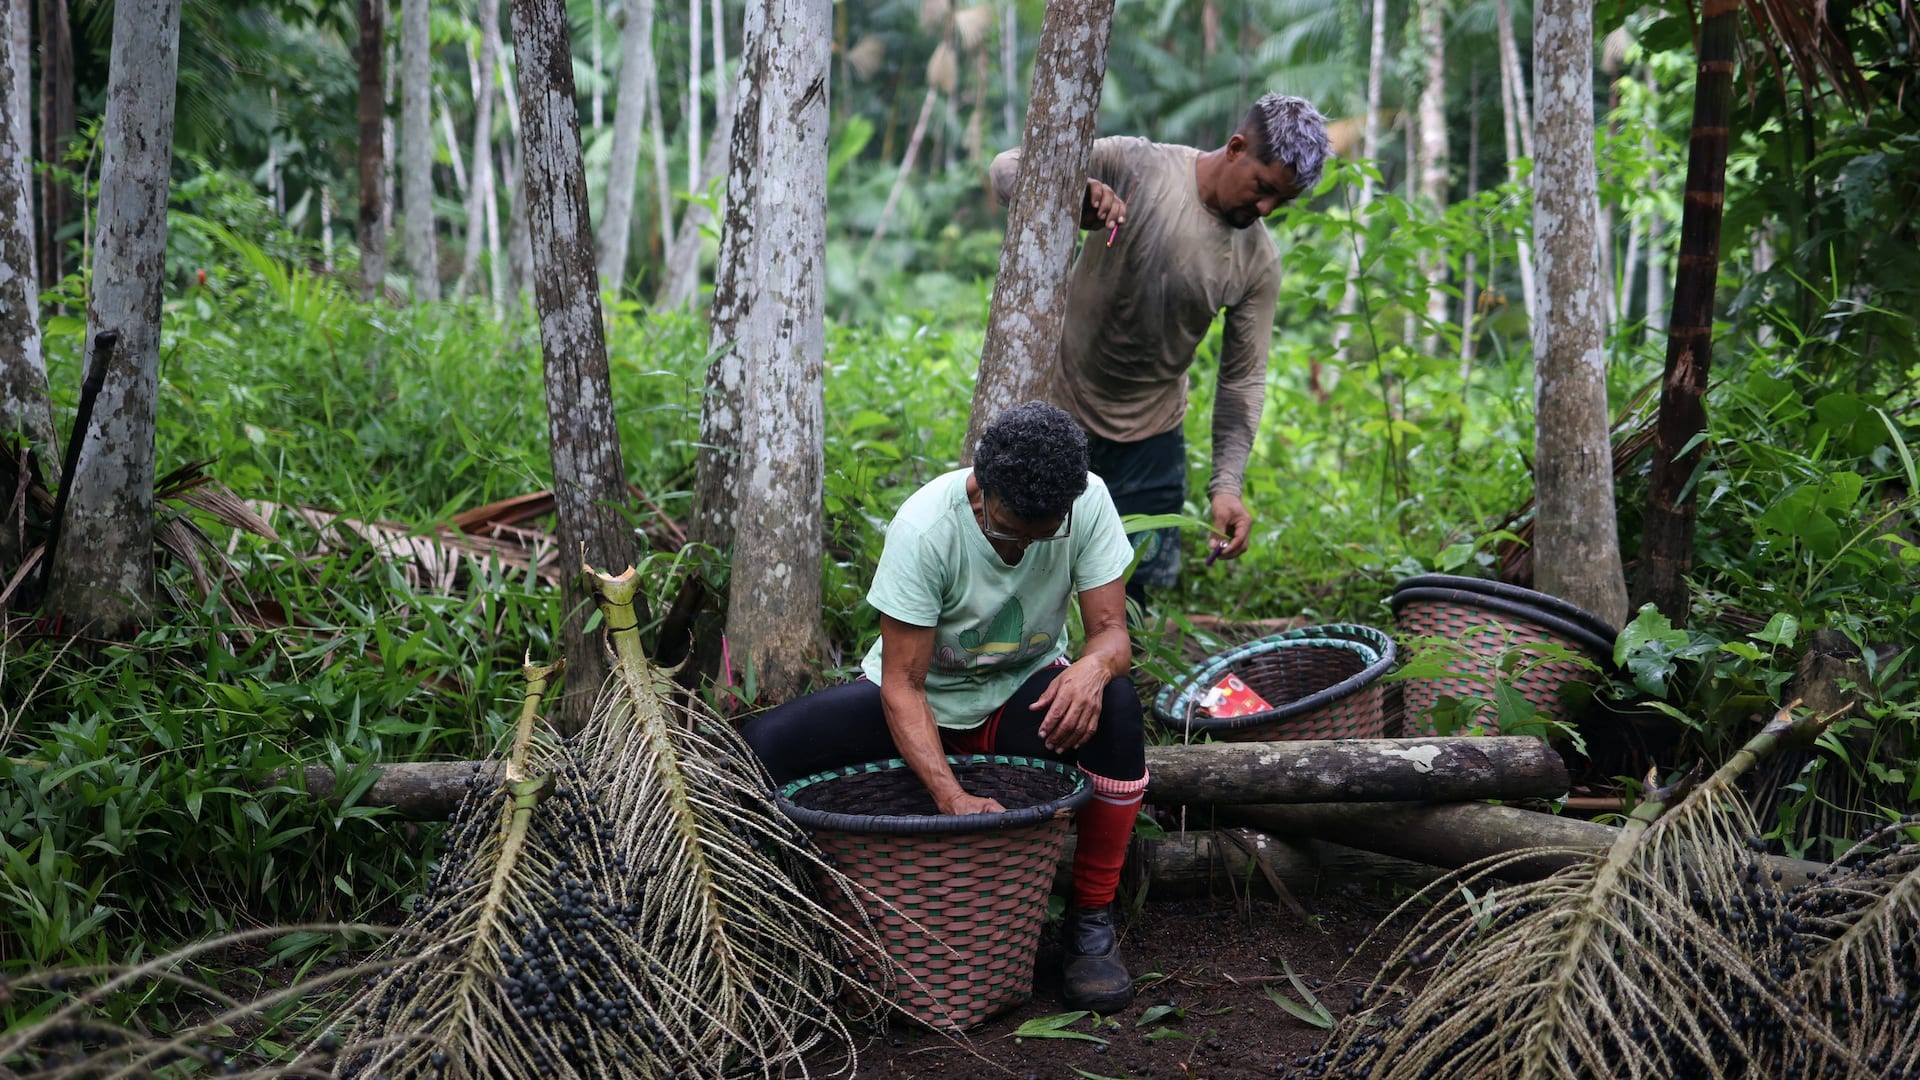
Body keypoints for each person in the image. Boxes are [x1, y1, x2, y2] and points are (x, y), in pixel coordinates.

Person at [741, 402, 1148, 1015]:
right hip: (917, 705)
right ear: (980, 491)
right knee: (760, 749)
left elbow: (1112, 633)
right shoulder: (927, 527)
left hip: (1020, 699)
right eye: (1011, 531)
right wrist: (951, 798)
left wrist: (1092, 667)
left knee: (1115, 705)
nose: (1024, 547)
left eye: (1045, 533)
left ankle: (1089, 922)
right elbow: (903, 684)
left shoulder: (1084, 502)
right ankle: (782, 924)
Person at [988, 94, 1332, 606]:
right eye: (1263, 188)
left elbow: (1242, 378)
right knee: (1021, 577)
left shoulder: (1257, 261)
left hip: (1151, 441)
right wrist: (1073, 195)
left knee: (1131, 603)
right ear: (1236, 147)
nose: (1265, 209)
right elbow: (1006, 169)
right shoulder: (1138, 164)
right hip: (1060, 409)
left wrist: (1226, 487)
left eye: (1280, 201)